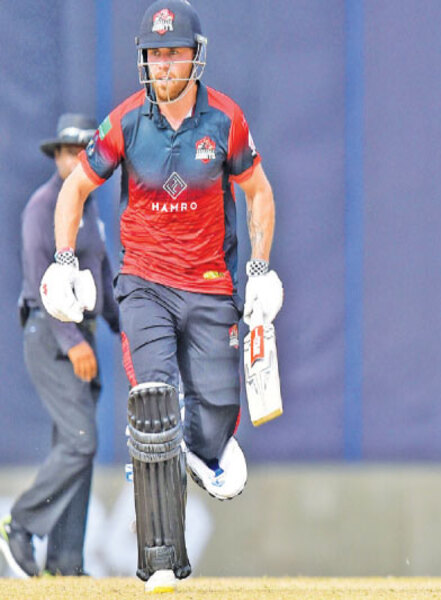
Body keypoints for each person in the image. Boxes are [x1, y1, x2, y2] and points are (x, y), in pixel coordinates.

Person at [38, 1, 282, 592]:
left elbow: (259, 193)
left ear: (195, 58)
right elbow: (74, 189)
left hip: (211, 287)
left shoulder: (225, 120)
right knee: (155, 405)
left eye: (174, 53)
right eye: (154, 54)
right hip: (145, 286)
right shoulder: (125, 121)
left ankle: (180, 452)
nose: (163, 64)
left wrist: (259, 270)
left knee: (215, 422)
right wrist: (65, 263)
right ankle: (160, 559)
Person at [0, 114, 118, 579]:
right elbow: (40, 284)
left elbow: (103, 280)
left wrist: (126, 327)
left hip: (80, 336)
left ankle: (67, 562)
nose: (78, 159)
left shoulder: (89, 210)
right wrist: (72, 343)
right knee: (81, 440)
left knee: (77, 446)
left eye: (87, 151)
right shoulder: (43, 206)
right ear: (57, 157)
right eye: (71, 151)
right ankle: (20, 525)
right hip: (51, 336)